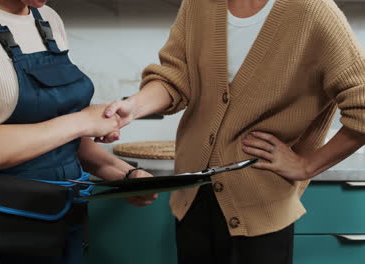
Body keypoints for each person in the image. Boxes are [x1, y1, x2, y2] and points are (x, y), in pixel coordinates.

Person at [99, 0, 365, 263]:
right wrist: (135, 106)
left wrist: (307, 166)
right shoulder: (197, 5)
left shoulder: (313, 10)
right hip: (192, 199)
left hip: (262, 205)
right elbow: (174, 77)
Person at [0, 0, 156, 263]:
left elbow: (62, 141)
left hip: (63, 224)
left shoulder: (47, 18)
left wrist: (124, 174)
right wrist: (83, 121)